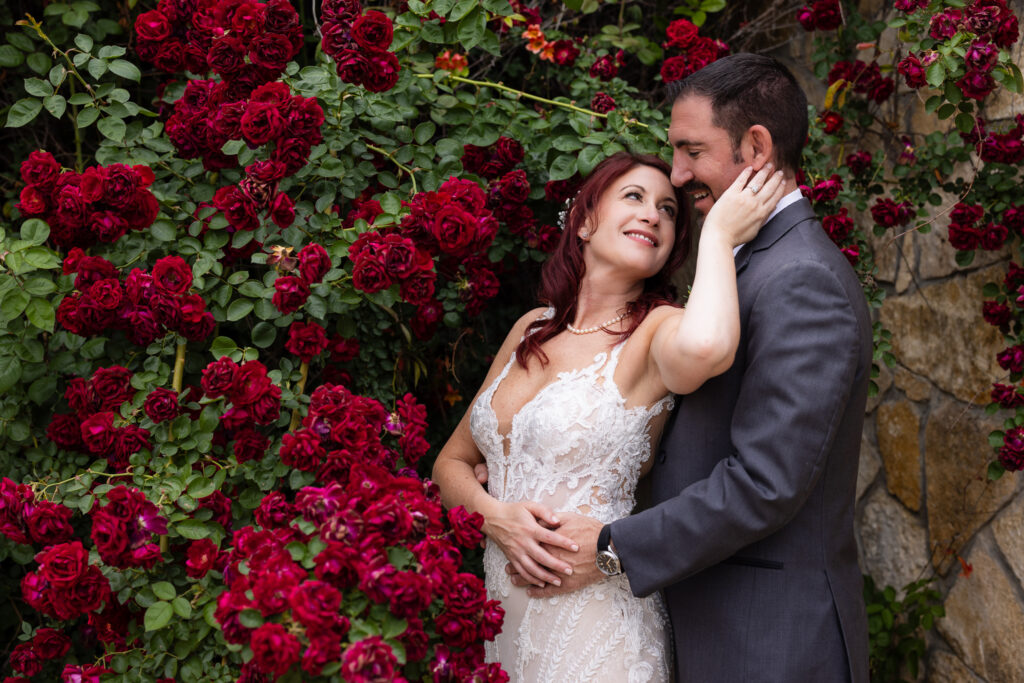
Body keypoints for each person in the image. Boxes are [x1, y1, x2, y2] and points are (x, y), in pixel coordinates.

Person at [511, 53, 873, 682]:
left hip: (769, 642)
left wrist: (609, 550)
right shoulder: (748, 264)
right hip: (711, 625)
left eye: (690, 151)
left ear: (755, 146)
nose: (677, 176)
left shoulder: (801, 279)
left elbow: (766, 483)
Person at [432, 150, 785, 682]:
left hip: (597, 628)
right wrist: (493, 516)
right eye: (635, 198)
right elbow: (451, 462)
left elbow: (710, 347)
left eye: (668, 210)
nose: (653, 215)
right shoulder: (532, 327)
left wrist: (717, 237)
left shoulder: (659, 329)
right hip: (503, 623)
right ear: (585, 220)